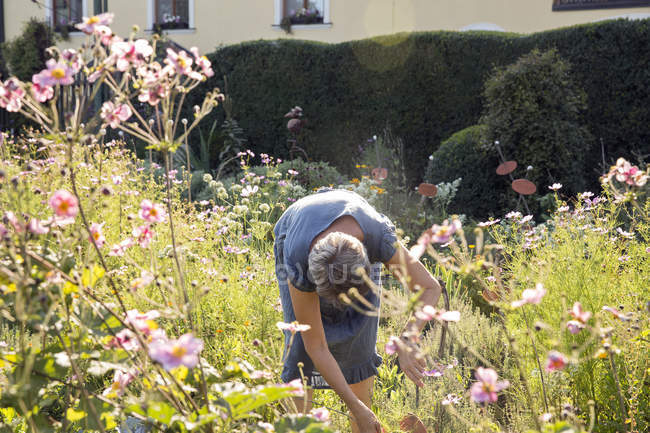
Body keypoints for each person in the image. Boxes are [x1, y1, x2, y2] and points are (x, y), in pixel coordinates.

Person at [274, 189, 442, 433]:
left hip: (353, 240)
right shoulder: (298, 258)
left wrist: (408, 338)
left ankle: (363, 421)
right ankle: (299, 425)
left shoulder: (378, 238)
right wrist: (353, 406)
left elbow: (430, 287)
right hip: (299, 229)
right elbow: (316, 346)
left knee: (360, 339)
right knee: (301, 348)